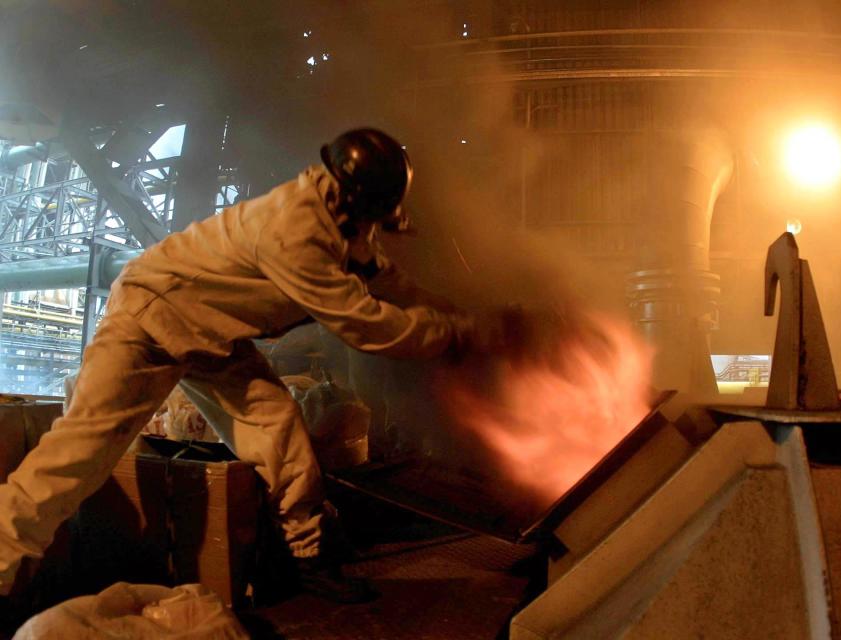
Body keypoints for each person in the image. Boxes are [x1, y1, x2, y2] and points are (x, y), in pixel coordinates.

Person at [0, 128, 484, 602]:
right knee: (76, 457)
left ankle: (309, 557)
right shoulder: (295, 232)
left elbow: (387, 280)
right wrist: (456, 336)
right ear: (352, 195)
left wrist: (460, 314)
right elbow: (366, 325)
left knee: (278, 428)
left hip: (209, 334)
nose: (375, 226)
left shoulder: (339, 215)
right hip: (149, 321)